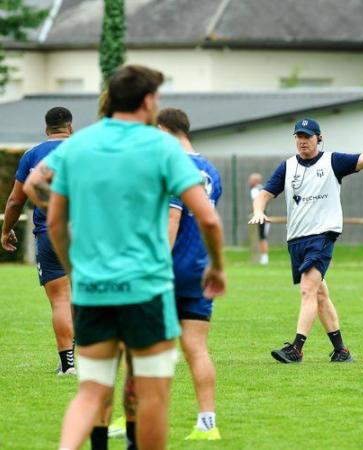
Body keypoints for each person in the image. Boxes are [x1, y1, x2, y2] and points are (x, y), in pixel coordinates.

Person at [35, 65, 226, 450]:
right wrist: (218, 267)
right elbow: (207, 217)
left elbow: (48, 204)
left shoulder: (79, 144)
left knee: (90, 391)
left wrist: (74, 267)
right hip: (146, 290)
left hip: (92, 290)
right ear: (147, 101)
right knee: (153, 394)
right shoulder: (161, 148)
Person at [250, 117, 363, 363]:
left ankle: (296, 348)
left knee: (307, 289)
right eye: (299, 137)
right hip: (297, 240)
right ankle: (341, 351)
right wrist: (259, 210)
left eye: (308, 137)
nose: (303, 142)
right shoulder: (287, 167)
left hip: (322, 236)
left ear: (319, 138)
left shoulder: (332, 161)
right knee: (319, 294)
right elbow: (264, 193)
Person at [158, 107, 223, 440]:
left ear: (167, 131)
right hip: (200, 271)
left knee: (148, 348)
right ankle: (207, 424)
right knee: (197, 349)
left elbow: (173, 221)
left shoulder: (175, 167)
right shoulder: (212, 171)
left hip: (170, 271)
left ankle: (133, 418)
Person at [2, 106, 75, 375]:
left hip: (51, 232)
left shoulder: (33, 155)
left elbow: (14, 201)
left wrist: (5, 230)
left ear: (46, 130)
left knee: (60, 300)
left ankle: (68, 365)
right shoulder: (86, 151)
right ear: (71, 127)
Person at [249, 173, 270, 265]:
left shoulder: (255, 190)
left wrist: (256, 212)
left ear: (255, 181)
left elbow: (256, 202)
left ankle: (264, 258)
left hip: (260, 215)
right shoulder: (264, 189)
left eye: (251, 180)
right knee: (262, 236)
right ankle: (263, 257)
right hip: (264, 214)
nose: (249, 182)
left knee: (262, 237)